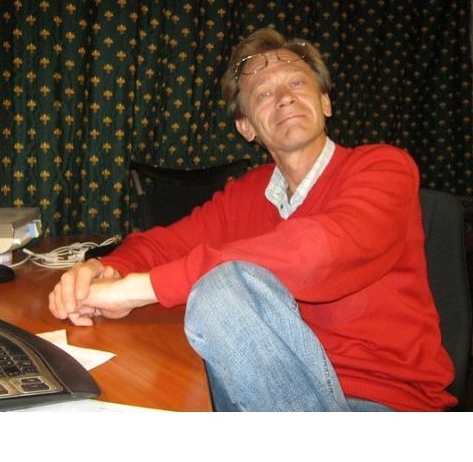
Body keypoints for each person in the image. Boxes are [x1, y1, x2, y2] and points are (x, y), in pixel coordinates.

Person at [48, 28, 456, 412]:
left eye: (296, 82)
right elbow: (165, 244)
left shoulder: (384, 167)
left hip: (379, 404)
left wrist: (140, 289)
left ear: (325, 102)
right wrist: (105, 269)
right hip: (262, 392)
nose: (284, 98)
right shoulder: (248, 192)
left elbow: (316, 254)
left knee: (222, 290)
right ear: (246, 128)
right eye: (263, 92)